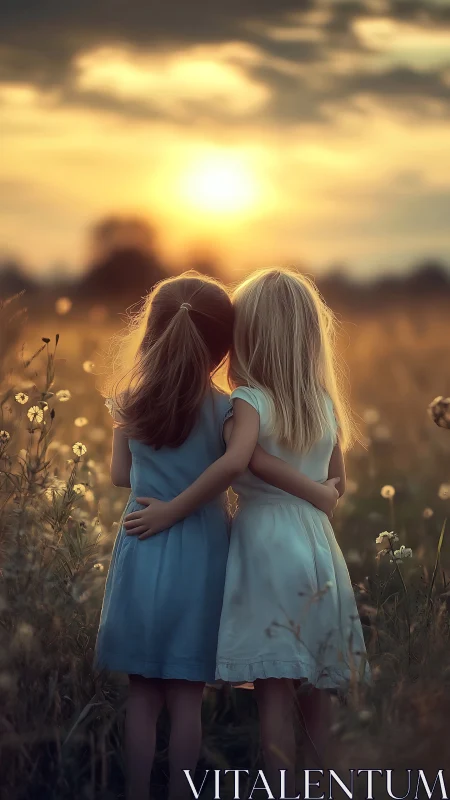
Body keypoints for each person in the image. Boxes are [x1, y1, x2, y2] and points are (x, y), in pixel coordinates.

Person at [124, 268, 369, 795]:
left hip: (265, 546)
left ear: (248, 336)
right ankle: (323, 786)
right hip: (317, 548)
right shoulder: (325, 406)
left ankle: (280, 787)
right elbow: (337, 483)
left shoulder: (250, 401)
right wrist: (319, 495)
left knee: (274, 689)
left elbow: (245, 462)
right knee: (319, 688)